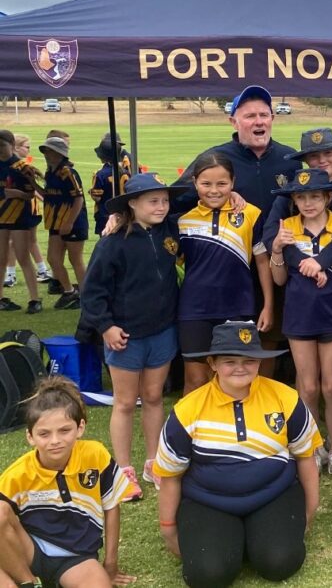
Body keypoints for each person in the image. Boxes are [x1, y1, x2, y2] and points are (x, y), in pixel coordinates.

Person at [154, 322, 321, 587]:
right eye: (229, 361)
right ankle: (233, 541)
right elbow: (171, 476)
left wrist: (309, 512)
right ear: (212, 363)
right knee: (208, 575)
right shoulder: (187, 410)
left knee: (280, 562)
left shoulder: (286, 398)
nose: (240, 368)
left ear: (259, 361)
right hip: (208, 501)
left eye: (249, 360)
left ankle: (251, 540)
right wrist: (168, 528)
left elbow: (305, 457)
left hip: (274, 494)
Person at [78, 172, 188, 501]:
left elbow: (199, 195)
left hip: (163, 330)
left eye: (164, 200)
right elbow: (92, 291)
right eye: (153, 201)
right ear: (132, 204)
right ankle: (123, 470)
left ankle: (154, 462)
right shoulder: (112, 242)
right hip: (125, 335)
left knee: (153, 397)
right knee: (125, 402)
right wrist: (105, 326)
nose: (161, 206)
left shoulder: (170, 229)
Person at [270, 169, 332, 480]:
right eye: (301, 197)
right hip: (298, 314)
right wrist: (277, 249)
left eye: (315, 196)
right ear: (294, 200)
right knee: (308, 386)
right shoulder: (287, 227)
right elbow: (279, 279)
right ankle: (312, 448)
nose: (308, 203)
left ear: (328, 197)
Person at [0, 377, 136, 587]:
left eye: (64, 430)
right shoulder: (18, 473)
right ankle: (28, 583)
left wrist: (110, 564)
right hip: (28, 552)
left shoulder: (95, 456)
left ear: (80, 428)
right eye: (44, 434)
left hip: (76, 558)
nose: (55, 441)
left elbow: (111, 507)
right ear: (30, 436)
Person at [177, 152, 272, 394]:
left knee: (235, 378)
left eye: (222, 183)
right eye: (206, 184)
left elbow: (262, 262)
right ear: (195, 183)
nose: (214, 190)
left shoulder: (251, 214)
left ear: (233, 182)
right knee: (196, 380)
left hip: (238, 307)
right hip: (194, 310)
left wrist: (268, 305)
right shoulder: (183, 221)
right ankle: (193, 420)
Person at [268, 127, 332, 326]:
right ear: (306, 160)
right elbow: (271, 234)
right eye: (314, 156)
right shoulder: (293, 191)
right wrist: (306, 264)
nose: (322, 160)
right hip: (303, 283)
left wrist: (321, 261)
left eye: (328, 153)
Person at [174, 85, 298, 215]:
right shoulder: (214, 158)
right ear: (233, 122)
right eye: (250, 116)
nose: (259, 122)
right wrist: (220, 194)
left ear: (272, 119)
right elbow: (174, 203)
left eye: (264, 115)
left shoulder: (289, 158)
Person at [38, 136, 87, 310]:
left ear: (59, 153)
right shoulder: (50, 172)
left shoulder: (68, 172)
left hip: (73, 222)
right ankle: (69, 291)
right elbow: (48, 194)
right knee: (53, 258)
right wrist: (32, 183)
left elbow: (79, 198)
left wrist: (69, 222)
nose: (46, 154)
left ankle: (86, 295)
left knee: (75, 259)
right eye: (45, 151)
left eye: (49, 151)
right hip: (55, 222)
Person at [0, 130, 43, 314]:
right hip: (1, 217)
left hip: (19, 217)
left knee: (23, 256)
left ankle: (34, 299)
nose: (0, 150)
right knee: (1, 258)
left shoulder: (22, 167)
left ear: (11, 145)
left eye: (2, 145)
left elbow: (31, 193)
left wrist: (17, 194)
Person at [4, 132, 50, 291]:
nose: (29, 150)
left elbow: (31, 189)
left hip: (27, 209)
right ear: (15, 147)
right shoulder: (15, 166)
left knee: (23, 242)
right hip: (22, 209)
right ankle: (40, 270)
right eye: (26, 147)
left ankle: (12, 274)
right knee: (26, 242)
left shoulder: (22, 165)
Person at [89, 132, 133, 237]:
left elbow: (97, 198)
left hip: (105, 215)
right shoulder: (126, 172)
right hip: (124, 215)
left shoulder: (100, 174)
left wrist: (91, 192)